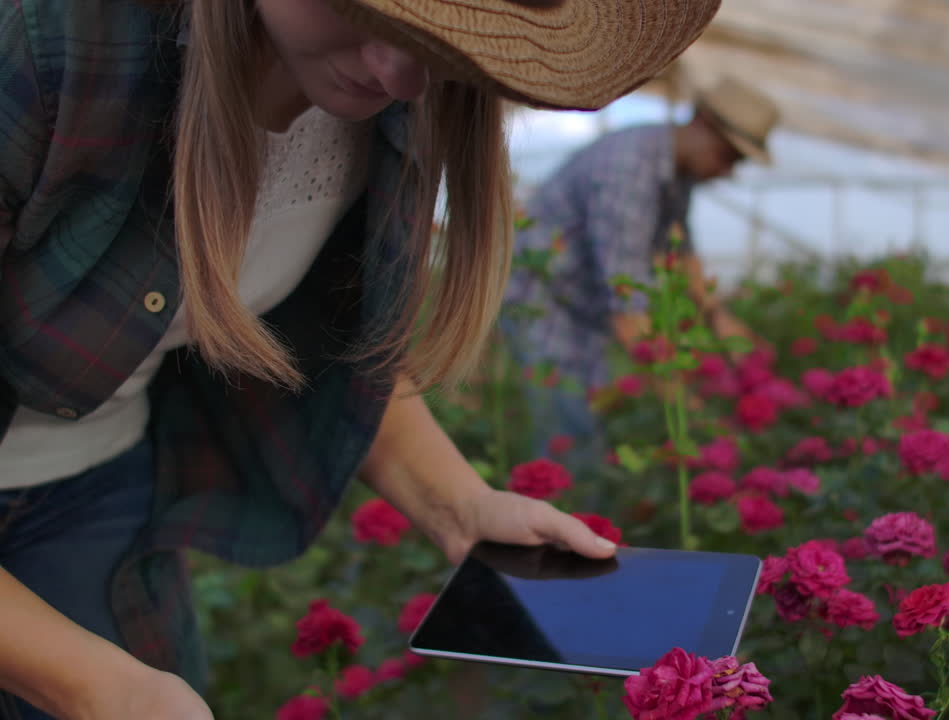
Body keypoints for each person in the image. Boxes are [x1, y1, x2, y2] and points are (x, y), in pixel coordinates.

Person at [0, 0, 719, 717]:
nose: (401, 74)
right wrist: (92, 685)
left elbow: (326, 352)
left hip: (94, 481)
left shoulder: (382, 109)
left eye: (443, 39)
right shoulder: (47, 44)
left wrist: (461, 508)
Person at [500, 77, 779, 462]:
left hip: (579, 303)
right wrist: (682, 402)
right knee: (570, 426)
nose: (727, 171)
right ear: (702, 122)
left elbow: (681, 250)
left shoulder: (674, 171)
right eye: (728, 156)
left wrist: (720, 319)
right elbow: (627, 303)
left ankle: (576, 507)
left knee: (589, 416)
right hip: (543, 299)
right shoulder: (629, 172)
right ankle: (560, 511)